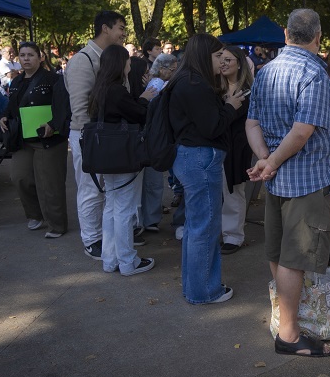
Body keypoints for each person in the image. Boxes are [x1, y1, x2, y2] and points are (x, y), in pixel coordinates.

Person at [246, 8, 330, 357]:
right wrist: (269, 162)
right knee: (295, 256)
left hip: (277, 178)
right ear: (317, 37)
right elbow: (301, 133)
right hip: (307, 179)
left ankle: (285, 319)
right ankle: (288, 334)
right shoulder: (312, 73)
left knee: (278, 251)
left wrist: (264, 161)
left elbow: (252, 123)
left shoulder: (266, 70)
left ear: (286, 34)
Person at [169, 35, 244, 302]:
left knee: (196, 227)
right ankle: (204, 291)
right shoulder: (194, 84)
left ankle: (195, 288)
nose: (222, 61)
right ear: (203, 55)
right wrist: (230, 106)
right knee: (205, 228)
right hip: (200, 159)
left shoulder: (187, 80)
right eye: (217, 56)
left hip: (192, 158)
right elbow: (211, 126)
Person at [89, 44, 157, 276]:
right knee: (124, 209)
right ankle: (128, 261)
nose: (130, 64)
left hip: (105, 155)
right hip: (122, 154)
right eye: (127, 60)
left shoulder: (99, 89)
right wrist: (146, 98)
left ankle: (110, 260)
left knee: (111, 207)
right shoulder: (117, 90)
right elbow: (139, 114)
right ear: (120, 63)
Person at [65, 10, 127, 260]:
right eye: (120, 28)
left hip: (105, 136)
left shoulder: (108, 57)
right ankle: (91, 240)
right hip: (88, 136)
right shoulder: (83, 60)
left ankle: (105, 235)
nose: (123, 33)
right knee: (90, 189)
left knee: (105, 189)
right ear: (105, 28)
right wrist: (92, 139)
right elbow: (80, 109)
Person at [0, 42, 71, 239]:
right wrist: (4, 116)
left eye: (30, 55)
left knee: (50, 182)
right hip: (23, 138)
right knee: (19, 176)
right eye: (22, 55)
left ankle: (57, 224)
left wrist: (53, 124)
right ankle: (35, 215)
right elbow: (11, 107)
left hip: (49, 139)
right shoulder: (16, 82)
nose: (26, 59)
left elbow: (63, 107)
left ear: (41, 57)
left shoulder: (54, 79)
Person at [219, 45, 254, 255]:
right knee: (217, 191)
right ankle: (219, 232)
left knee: (234, 190)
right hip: (217, 145)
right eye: (221, 59)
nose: (223, 63)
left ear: (239, 63)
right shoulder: (215, 88)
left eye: (228, 60)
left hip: (237, 147)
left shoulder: (249, 89)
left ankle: (233, 235)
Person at [138, 53, 179, 233]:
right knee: (153, 181)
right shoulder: (158, 85)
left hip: (153, 136)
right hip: (157, 136)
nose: (174, 72)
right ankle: (150, 219)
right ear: (162, 69)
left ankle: (149, 219)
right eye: (173, 69)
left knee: (152, 181)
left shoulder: (155, 83)